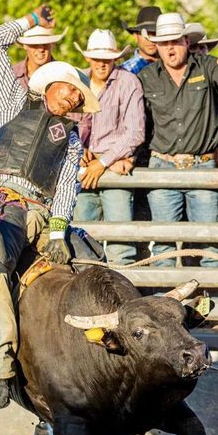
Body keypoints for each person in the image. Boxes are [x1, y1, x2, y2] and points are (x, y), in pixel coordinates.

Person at [0, 5, 99, 409]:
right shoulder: (12, 100)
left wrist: (60, 230)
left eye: (80, 98)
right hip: (6, 204)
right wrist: (30, 20)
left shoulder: (72, 139)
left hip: (41, 212)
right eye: (72, 90)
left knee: (90, 269)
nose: (75, 99)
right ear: (53, 84)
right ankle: (1, 368)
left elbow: (67, 186)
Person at [137, 12, 218, 267]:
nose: (170, 48)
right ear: (156, 45)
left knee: (210, 243)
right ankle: (162, 305)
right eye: (164, 42)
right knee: (163, 243)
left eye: (176, 41)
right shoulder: (146, 77)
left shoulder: (208, 66)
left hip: (202, 166)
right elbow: (133, 121)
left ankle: (213, 302)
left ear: (186, 41)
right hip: (162, 166)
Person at [72, 29, 144, 265]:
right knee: (81, 241)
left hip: (112, 165)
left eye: (107, 58)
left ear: (115, 58)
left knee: (120, 244)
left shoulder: (128, 82)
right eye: (97, 58)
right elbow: (65, 124)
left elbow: (135, 131)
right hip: (84, 167)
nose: (102, 64)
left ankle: (121, 298)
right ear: (88, 58)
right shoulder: (77, 82)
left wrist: (103, 162)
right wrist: (77, 149)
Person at [0, 23, 65, 148]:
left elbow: (76, 115)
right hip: (10, 145)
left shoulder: (64, 76)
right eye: (35, 45)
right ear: (25, 46)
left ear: (52, 44)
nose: (41, 49)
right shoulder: (11, 74)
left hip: (48, 148)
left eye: (45, 44)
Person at [120, 6, 161, 75]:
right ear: (136, 37)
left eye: (155, 33)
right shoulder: (124, 72)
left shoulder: (173, 66)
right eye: (144, 33)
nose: (150, 39)